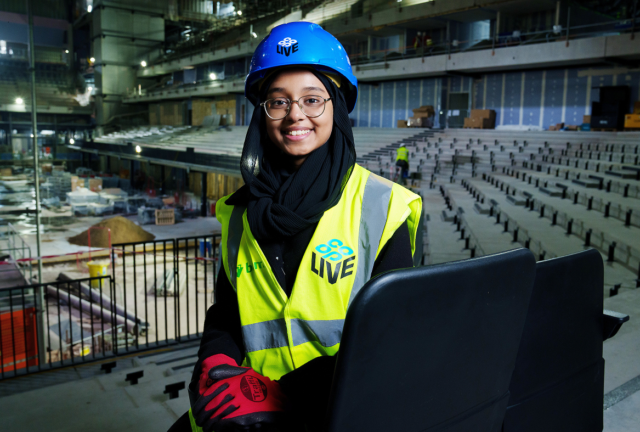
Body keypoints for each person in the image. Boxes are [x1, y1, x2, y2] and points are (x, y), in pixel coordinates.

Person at [168, 21, 422, 432]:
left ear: (336, 104)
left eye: (312, 99)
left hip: (339, 411)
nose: (295, 115)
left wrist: (285, 395)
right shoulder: (240, 213)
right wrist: (215, 363)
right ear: (263, 113)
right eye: (279, 102)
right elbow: (226, 314)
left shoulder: (382, 206)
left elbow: (392, 340)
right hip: (252, 412)